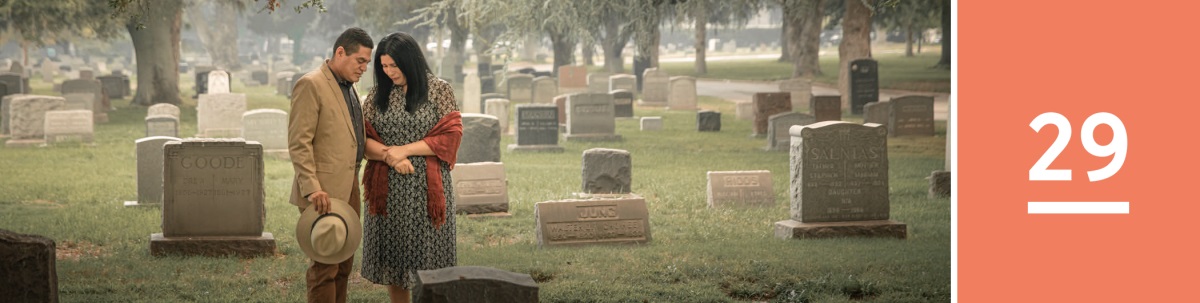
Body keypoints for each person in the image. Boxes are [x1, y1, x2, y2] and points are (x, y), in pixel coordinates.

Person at [360, 32, 462, 303]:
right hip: (388, 191)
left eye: (394, 65)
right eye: (384, 66)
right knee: (395, 261)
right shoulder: (378, 94)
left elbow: (450, 137)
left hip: (427, 190)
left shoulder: (439, 90)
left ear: (410, 61)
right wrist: (391, 157)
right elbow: (363, 140)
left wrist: (404, 150)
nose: (389, 72)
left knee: (430, 259)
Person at [287, 27, 373, 303]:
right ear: (340, 52)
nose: (364, 68)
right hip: (322, 191)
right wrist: (312, 189)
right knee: (325, 268)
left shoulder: (349, 87)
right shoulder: (311, 84)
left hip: (349, 186)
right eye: (360, 61)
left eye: (367, 63)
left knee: (344, 265)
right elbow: (299, 143)